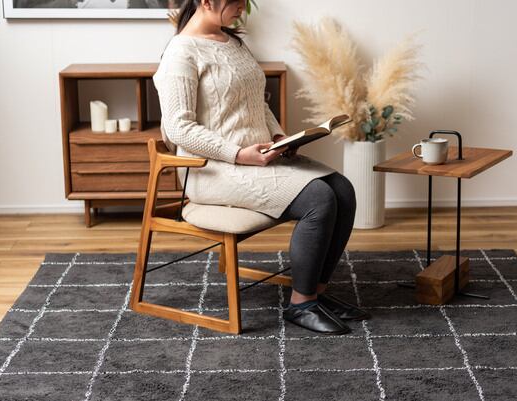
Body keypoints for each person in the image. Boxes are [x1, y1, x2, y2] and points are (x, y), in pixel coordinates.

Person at [153, 0, 370, 335]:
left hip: (257, 159)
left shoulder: (233, 42)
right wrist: (238, 154)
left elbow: (257, 103)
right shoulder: (181, 53)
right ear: (207, 1)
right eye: (237, 1)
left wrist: (280, 136)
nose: (243, 7)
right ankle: (301, 304)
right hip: (213, 170)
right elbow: (179, 128)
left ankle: (316, 292)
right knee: (319, 198)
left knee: (342, 189)